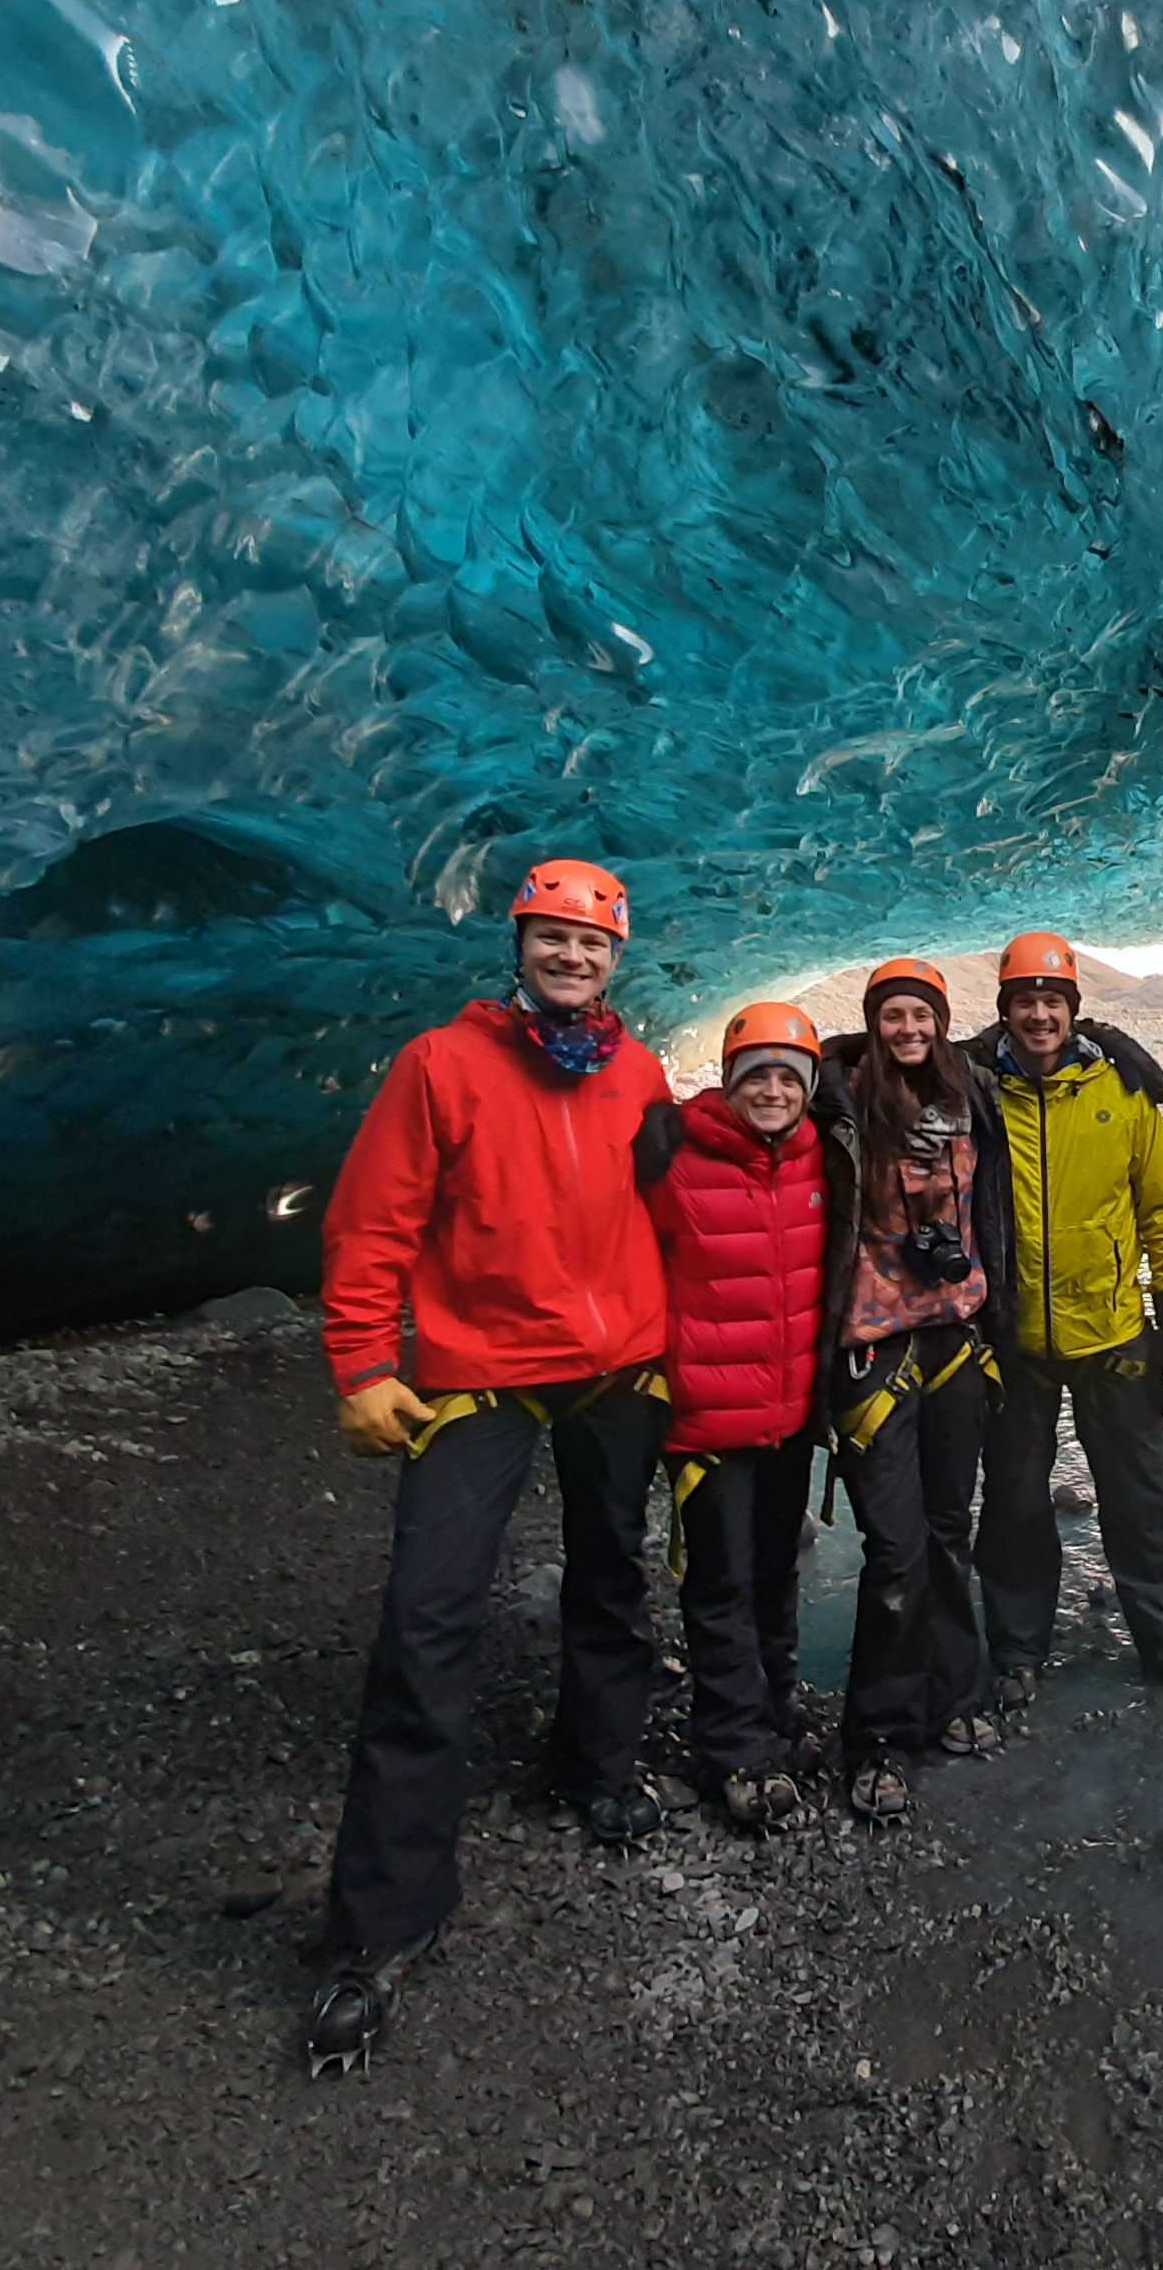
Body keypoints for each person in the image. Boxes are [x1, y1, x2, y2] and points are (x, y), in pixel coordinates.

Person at [305, 858, 675, 2078]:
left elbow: (675, 1214)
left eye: (593, 942)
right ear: (520, 943)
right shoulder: (441, 1065)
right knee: (426, 1619)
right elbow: (373, 1222)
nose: (573, 956)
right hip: (478, 1373)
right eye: (554, 937)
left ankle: (596, 1771)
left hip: (616, 1366)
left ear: (617, 959)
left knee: (615, 1579)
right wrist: (365, 1361)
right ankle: (385, 1920)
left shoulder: (635, 1071)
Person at [968, 932, 1163, 1705]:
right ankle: (1017, 1650)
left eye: (1052, 1001)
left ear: (1072, 1010)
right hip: (1011, 1340)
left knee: (1142, 1501)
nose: (1039, 1015)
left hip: (1114, 1333)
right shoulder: (978, 1093)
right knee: (1013, 1507)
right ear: (1006, 1011)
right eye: (1024, 1001)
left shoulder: (1123, 1094)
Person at [818, 957, 1019, 1823]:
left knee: (948, 1532)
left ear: (941, 1022)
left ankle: (957, 1699)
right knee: (895, 1552)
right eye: (893, 1016)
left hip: (958, 1339)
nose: (909, 1030)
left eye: (922, 1016)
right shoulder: (843, 1097)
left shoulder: (968, 1093)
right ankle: (877, 1738)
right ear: (874, 1021)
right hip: (874, 1351)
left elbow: (994, 1207)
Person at [638, 1002, 832, 1834]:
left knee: (776, 1572)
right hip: (706, 1423)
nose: (775, 1091)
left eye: (791, 1077)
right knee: (719, 1588)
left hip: (788, 1419)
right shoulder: (674, 1157)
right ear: (730, 1082)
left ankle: (774, 1714)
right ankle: (735, 1753)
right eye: (759, 1076)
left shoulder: (821, 1158)